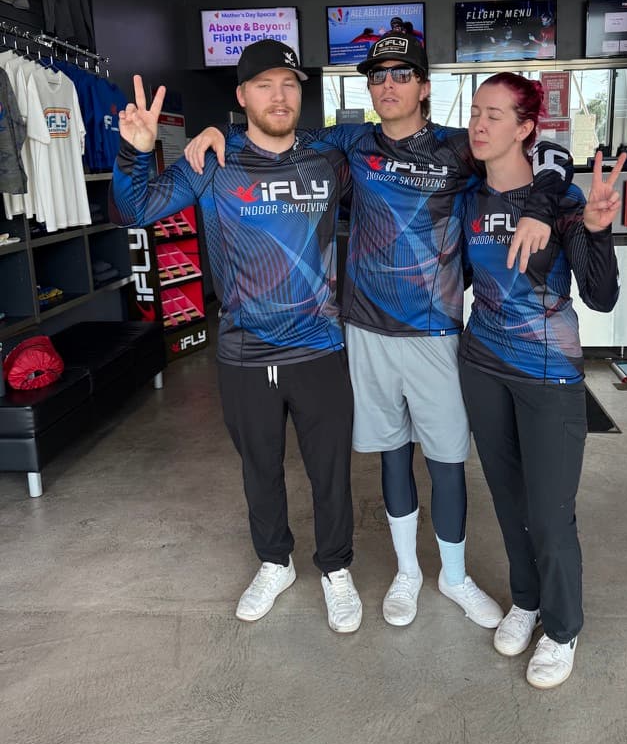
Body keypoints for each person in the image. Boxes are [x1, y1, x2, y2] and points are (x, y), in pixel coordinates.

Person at [185, 33, 573, 631]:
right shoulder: (348, 143)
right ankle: (408, 574)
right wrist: (221, 135)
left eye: (401, 75)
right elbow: (273, 134)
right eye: (377, 76)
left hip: (437, 335)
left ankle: (454, 575)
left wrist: (545, 200)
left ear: (424, 86)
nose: (387, 86)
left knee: (446, 462)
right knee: (392, 457)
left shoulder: (458, 148)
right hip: (364, 332)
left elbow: (542, 151)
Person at [109, 40, 363, 634]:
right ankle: (275, 562)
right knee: (260, 468)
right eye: (266, 85)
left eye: (291, 85)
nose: (281, 96)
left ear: (303, 94)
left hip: (320, 346)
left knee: (330, 471)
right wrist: (135, 150)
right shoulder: (212, 163)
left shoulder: (328, 160)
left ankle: (336, 569)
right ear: (242, 96)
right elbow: (136, 208)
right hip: (246, 350)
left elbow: (395, 146)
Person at [458, 72, 623, 688]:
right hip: (482, 365)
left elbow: (602, 297)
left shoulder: (562, 201)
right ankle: (525, 600)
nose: (478, 124)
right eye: (476, 112)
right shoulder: (469, 198)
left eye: (495, 115)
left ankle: (562, 628)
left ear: (527, 129)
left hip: (549, 373)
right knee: (506, 500)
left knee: (551, 513)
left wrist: (597, 231)